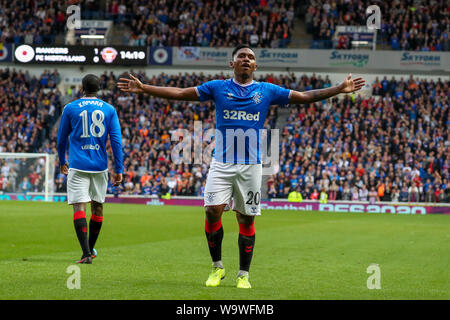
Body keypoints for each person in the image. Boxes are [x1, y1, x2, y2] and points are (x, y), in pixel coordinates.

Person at [117, 44, 365, 288]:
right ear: (232, 63)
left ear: (256, 65)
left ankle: (243, 274)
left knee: (245, 220)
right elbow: (181, 93)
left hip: (251, 166)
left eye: (251, 57)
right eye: (241, 56)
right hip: (221, 163)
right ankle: (217, 268)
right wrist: (144, 88)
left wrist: (339, 89)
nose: (246, 59)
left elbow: (304, 97)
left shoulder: (267, 90)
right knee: (211, 211)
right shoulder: (217, 88)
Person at [57, 74, 123, 264]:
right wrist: (119, 168)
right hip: (100, 165)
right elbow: (116, 141)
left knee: (79, 207)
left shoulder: (70, 108)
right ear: (99, 88)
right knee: (98, 207)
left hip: (77, 165)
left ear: (82, 88)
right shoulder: (109, 109)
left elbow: (61, 139)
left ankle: (86, 253)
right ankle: (91, 250)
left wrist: (63, 160)